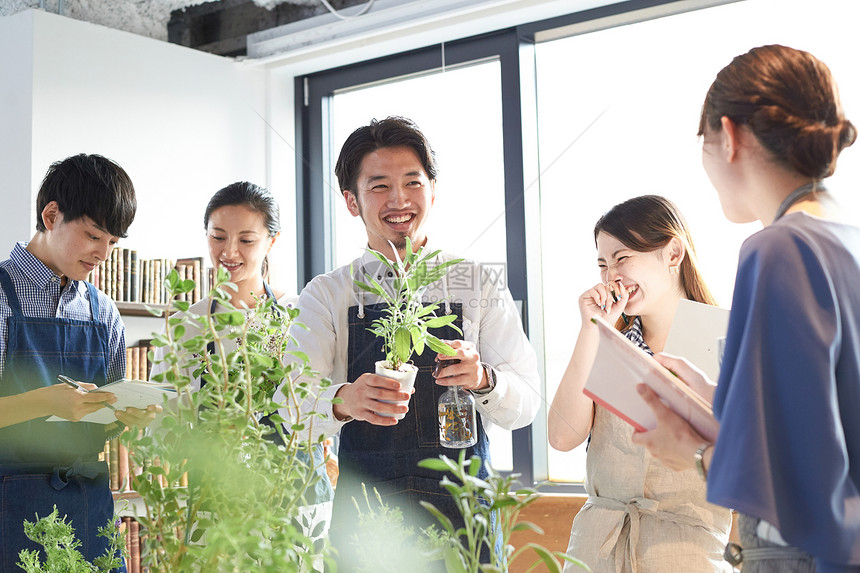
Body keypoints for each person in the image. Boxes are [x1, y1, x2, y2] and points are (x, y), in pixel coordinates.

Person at [631, 45, 860, 573]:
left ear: (729, 137)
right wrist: (721, 400)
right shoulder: (843, 237)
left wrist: (689, 453)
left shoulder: (777, 249)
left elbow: (800, 475)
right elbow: (828, 417)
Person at [276, 116, 540, 565]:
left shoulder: (475, 282)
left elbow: (528, 403)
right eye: (378, 186)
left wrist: (484, 380)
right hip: (367, 518)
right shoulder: (328, 293)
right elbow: (288, 405)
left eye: (412, 182)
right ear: (351, 201)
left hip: (464, 512)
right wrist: (343, 400)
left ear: (433, 191)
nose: (398, 199)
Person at [547, 195, 733, 572]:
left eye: (622, 258)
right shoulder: (607, 343)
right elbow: (562, 437)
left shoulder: (726, 340)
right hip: (597, 552)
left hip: (687, 554)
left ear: (673, 254)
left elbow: (749, 464)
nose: (610, 274)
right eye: (602, 264)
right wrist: (591, 329)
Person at [0, 154, 161, 571]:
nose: (103, 254)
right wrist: (47, 402)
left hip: (89, 507)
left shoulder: (103, 312)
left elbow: (106, 413)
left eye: (112, 243)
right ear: (51, 215)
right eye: (93, 236)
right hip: (10, 508)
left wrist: (128, 415)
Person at [149, 181, 334, 531]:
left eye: (246, 240)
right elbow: (165, 424)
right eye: (218, 237)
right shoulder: (186, 326)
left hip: (299, 500)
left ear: (271, 242)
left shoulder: (301, 314)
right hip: (219, 504)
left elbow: (324, 402)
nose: (229, 251)